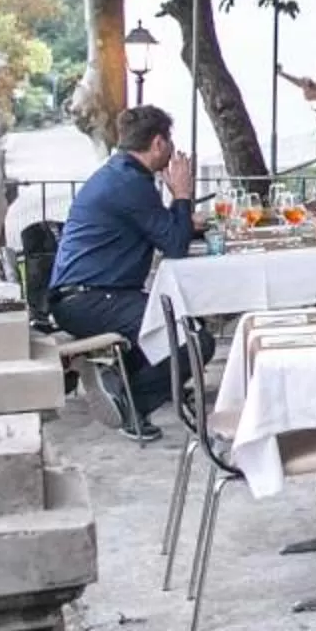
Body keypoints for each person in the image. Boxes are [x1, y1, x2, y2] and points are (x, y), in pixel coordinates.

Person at [46, 104, 201, 437]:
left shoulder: (121, 175)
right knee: (194, 339)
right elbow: (175, 245)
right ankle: (129, 403)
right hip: (92, 300)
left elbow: (162, 230)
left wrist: (180, 213)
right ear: (158, 143)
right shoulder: (131, 184)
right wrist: (182, 194)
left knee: (174, 325)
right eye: (170, 141)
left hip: (80, 297)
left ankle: (117, 379)